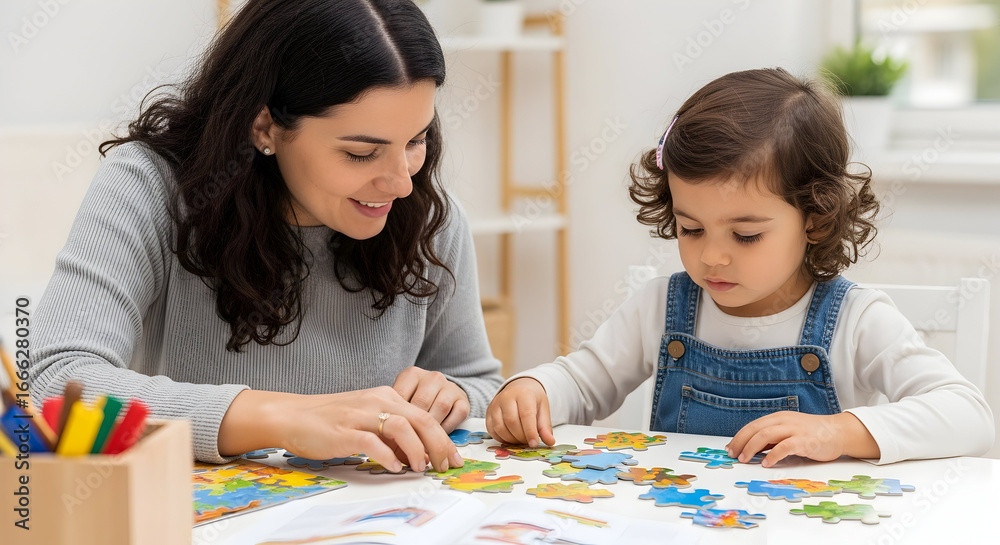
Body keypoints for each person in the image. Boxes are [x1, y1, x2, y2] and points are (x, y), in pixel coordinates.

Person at [29, 0, 503, 472]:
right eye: (361, 153)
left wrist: (452, 394)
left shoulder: (427, 215)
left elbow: (479, 384)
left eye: (416, 140)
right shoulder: (149, 188)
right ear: (265, 127)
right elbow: (52, 382)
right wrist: (284, 418)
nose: (401, 183)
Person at [487, 68, 994, 467]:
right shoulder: (661, 307)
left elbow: (969, 415)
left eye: (746, 235)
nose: (712, 256)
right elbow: (582, 383)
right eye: (691, 228)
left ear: (815, 219)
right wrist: (532, 390)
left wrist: (837, 432)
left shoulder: (857, 319)